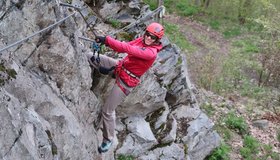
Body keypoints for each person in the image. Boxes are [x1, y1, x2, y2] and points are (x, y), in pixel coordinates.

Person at [86, 22, 164, 153]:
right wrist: (105, 44)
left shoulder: (151, 53)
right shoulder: (142, 40)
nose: (149, 38)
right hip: (120, 67)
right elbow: (126, 47)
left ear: (157, 40)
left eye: (153, 37)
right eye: (148, 34)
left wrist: (107, 40)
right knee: (90, 56)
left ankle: (108, 139)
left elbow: (127, 49)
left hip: (126, 81)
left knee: (108, 110)